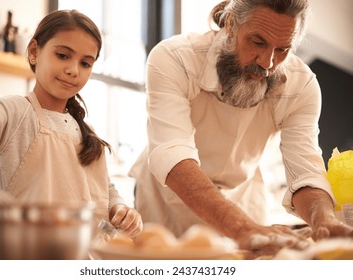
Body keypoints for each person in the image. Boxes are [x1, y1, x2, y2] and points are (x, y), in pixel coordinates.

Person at [129, 0, 353, 254]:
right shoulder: (175, 57)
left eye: (283, 49)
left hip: (243, 200)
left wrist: (323, 219)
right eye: (258, 42)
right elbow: (173, 152)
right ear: (231, 24)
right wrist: (242, 227)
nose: (268, 63)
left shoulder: (301, 85)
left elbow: (304, 170)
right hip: (166, 200)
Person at [0, 10, 142, 239]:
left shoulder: (88, 134)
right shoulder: (14, 111)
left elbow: (104, 190)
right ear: (34, 52)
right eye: (63, 56)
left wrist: (121, 210)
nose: (73, 70)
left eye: (85, 63)